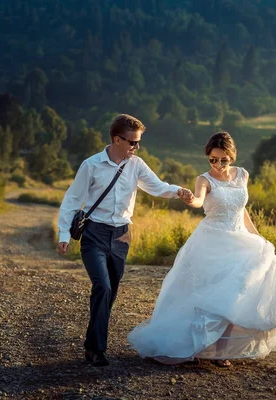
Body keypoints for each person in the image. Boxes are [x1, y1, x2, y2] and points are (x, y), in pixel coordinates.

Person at [128, 132, 276, 367]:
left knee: (233, 294)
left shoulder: (242, 175)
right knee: (206, 295)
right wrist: (189, 199)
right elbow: (199, 201)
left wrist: (257, 237)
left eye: (223, 160)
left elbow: (241, 210)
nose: (217, 165)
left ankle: (220, 351)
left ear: (232, 157)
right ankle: (196, 346)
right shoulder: (204, 179)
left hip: (238, 241)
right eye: (213, 160)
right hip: (211, 241)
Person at [57, 114, 193, 367]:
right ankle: (96, 349)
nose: (136, 147)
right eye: (132, 142)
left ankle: (92, 343)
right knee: (103, 286)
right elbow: (73, 200)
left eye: (138, 142)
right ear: (117, 139)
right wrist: (64, 234)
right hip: (94, 234)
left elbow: (156, 186)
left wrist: (178, 191)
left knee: (111, 293)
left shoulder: (136, 164)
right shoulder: (91, 165)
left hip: (121, 236)